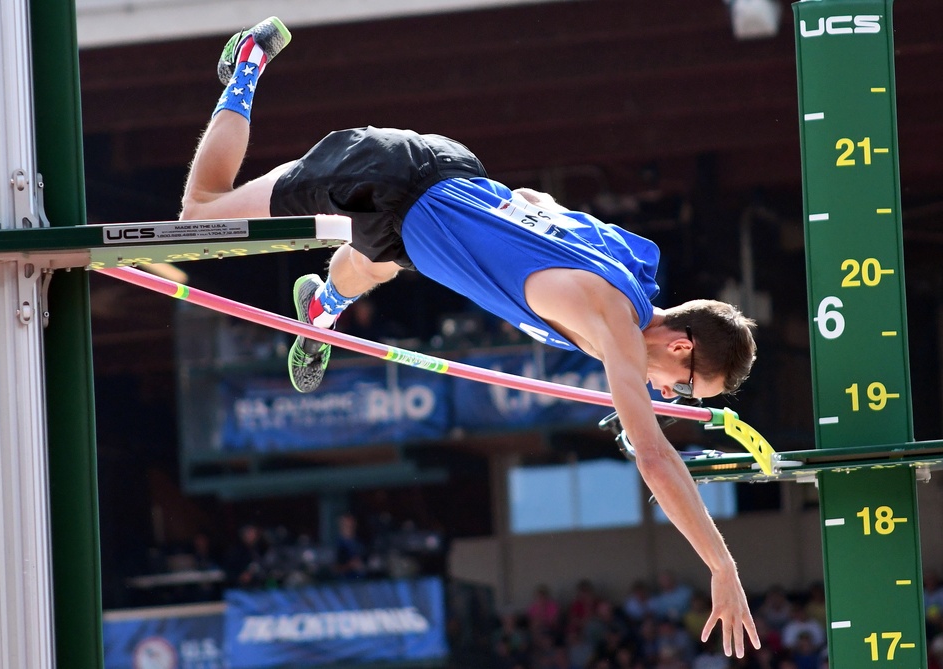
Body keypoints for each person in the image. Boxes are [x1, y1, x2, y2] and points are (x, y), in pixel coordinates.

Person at [179, 16, 760, 657]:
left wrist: (484, 240)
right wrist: (722, 565)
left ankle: (321, 306)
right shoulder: (618, 326)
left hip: (438, 189)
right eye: (685, 385)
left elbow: (538, 199)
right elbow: (653, 457)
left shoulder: (632, 270)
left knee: (372, 259)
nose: (670, 394)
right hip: (395, 180)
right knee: (201, 216)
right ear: (681, 345)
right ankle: (247, 68)